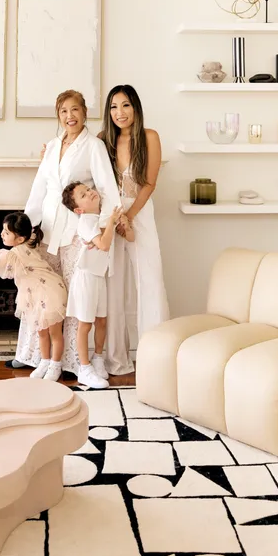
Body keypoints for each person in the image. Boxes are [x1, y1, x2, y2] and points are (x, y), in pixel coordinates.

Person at [13, 89, 121, 377]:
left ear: (84, 112)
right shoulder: (51, 146)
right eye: (63, 111)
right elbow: (40, 188)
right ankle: (45, 358)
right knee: (50, 296)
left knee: (77, 297)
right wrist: (25, 226)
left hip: (77, 232)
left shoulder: (93, 147)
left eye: (74, 110)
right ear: (58, 116)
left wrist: (103, 226)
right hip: (47, 230)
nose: (69, 116)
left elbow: (107, 188)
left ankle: (79, 361)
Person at [100, 84, 169, 375]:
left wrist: (128, 215)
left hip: (139, 213)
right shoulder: (103, 139)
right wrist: (116, 217)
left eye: (125, 105)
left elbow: (149, 183)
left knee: (149, 281)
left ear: (135, 107)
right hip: (111, 217)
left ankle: (157, 360)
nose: (120, 113)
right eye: (114, 107)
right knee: (113, 287)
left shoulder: (149, 137)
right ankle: (117, 360)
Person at [0, 212, 67, 381]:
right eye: (3, 230)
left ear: (20, 239)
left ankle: (55, 365)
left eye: (7, 232)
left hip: (50, 291)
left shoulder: (15, 254)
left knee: (54, 332)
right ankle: (44, 362)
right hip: (34, 295)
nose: (2, 234)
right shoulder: (28, 243)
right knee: (41, 331)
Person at [61, 181, 127, 389]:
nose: (90, 193)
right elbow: (105, 245)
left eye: (88, 189)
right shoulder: (87, 223)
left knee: (101, 321)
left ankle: (98, 358)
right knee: (85, 325)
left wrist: (111, 223)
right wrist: (112, 223)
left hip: (98, 276)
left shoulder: (97, 220)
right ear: (78, 209)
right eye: (83, 194)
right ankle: (85, 367)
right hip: (86, 278)